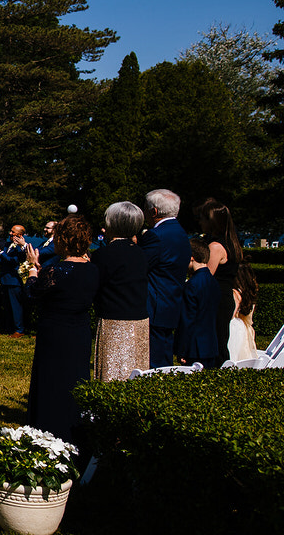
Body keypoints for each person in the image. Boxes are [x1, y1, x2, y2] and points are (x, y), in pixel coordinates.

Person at [24, 214, 99, 445]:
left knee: (51, 381)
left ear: (63, 240)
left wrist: (32, 271)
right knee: (75, 379)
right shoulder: (94, 270)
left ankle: (49, 431)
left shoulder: (56, 270)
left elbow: (32, 294)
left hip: (55, 333)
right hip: (80, 332)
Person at [92, 202, 149, 380]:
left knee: (112, 372)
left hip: (113, 321)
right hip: (139, 322)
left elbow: (95, 286)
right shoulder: (141, 253)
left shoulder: (104, 254)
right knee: (136, 370)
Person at [140, 189, 191, 368]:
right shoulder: (181, 233)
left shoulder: (156, 236)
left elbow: (141, 267)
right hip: (171, 303)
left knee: (154, 362)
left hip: (155, 305)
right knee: (163, 359)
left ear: (153, 211)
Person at [195, 198, 243, 363]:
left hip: (217, 300)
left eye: (203, 218)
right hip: (225, 296)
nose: (200, 221)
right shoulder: (231, 243)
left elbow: (205, 277)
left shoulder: (215, 247)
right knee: (220, 342)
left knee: (215, 346)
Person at [174, 239, 220, 369]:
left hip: (194, 346)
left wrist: (182, 348)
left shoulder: (192, 285)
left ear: (191, 257)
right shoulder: (214, 282)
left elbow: (187, 320)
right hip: (210, 344)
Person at [0, 225, 28, 338]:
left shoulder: (21, 247)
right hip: (5, 279)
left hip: (14, 280)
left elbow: (13, 261)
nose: (10, 233)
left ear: (20, 235)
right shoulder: (8, 245)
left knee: (16, 306)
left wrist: (1, 253)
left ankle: (19, 329)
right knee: (7, 306)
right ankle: (8, 327)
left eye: (13, 232)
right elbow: (3, 260)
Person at [228, 262, 258, 362]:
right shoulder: (247, 293)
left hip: (233, 327)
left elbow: (231, 314)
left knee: (233, 356)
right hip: (243, 328)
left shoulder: (235, 293)